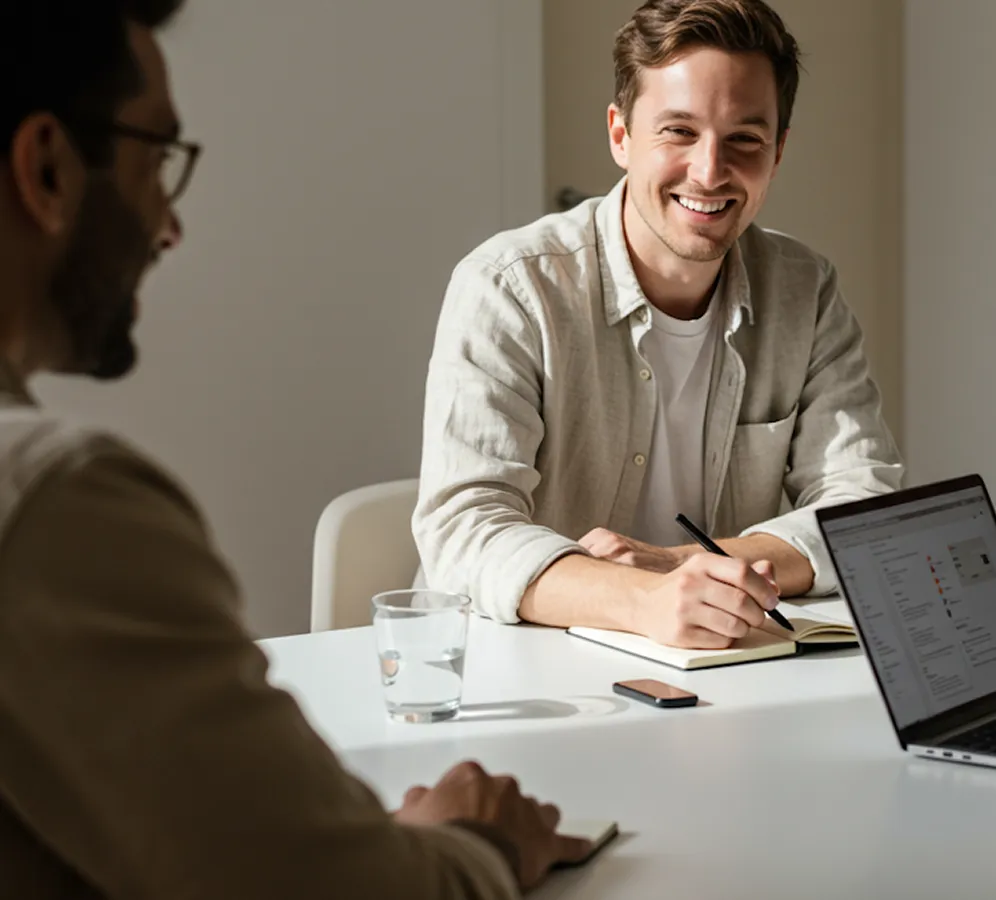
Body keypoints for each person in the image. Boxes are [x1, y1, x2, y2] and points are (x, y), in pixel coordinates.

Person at [0, 2, 592, 896]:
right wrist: (482, 843)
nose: (169, 226)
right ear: (46, 168)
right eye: (156, 159)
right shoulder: (57, 506)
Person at [413, 0, 903, 650]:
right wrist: (643, 599)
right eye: (678, 131)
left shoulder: (805, 290)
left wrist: (676, 567)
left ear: (778, 151)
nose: (709, 170)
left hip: (722, 674)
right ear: (620, 135)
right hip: (518, 678)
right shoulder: (510, 286)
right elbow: (464, 528)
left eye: (744, 139)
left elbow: (861, 507)